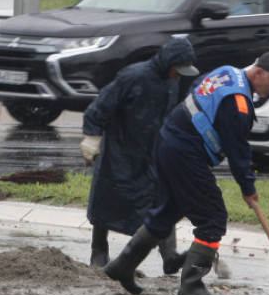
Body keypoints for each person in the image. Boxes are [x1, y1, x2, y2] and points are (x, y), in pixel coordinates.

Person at [103, 51, 269, 295]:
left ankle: (122, 265)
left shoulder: (227, 71)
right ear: (259, 73)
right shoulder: (238, 103)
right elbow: (237, 150)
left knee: (168, 210)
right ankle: (192, 286)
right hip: (184, 152)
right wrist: (248, 188)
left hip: (168, 139)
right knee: (213, 218)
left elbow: (195, 89)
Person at [80, 37, 200, 271]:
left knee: (162, 201)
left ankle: (170, 257)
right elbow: (100, 107)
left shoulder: (171, 82)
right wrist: (92, 137)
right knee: (107, 199)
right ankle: (99, 252)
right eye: (178, 70)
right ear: (168, 63)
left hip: (153, 151)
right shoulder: (132, 77)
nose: (179, 75)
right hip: (120, 151)